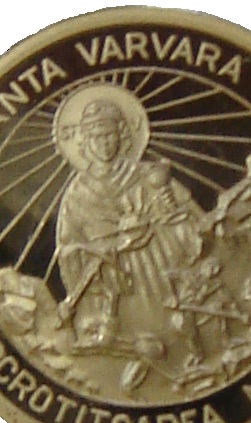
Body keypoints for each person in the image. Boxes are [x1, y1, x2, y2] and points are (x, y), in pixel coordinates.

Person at [55, 99, 205, 355]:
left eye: (109, 135)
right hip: (109, 276)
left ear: (121, 135)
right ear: (85, 142)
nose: (103, 143)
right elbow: (67, 247)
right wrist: (97, 250)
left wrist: (166, 211)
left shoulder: (146, 174)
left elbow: (191, 215)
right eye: (96, 137)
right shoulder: (77, 193)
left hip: (156, 266)